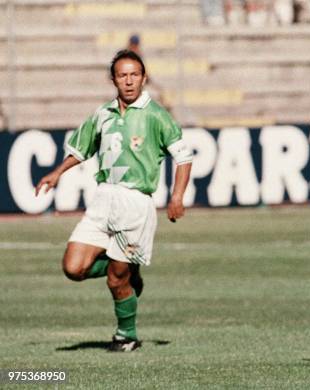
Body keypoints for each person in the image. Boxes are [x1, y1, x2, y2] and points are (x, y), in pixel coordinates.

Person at [35, 50, 193, 352]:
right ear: (113, 80)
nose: (129, 81)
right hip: (103, 198)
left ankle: (126, 335)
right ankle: (128, 268)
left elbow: (183, 158)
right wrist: (56, 173)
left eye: (135, 75)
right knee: (73, 268)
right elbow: (81, 149)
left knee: (115, 281)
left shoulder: (156, 115)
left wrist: (177, 196)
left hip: (136, 204)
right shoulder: (102, 114)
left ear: (144, 79)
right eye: (123, 75)